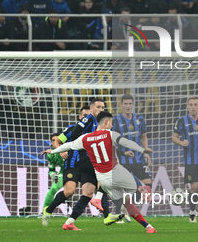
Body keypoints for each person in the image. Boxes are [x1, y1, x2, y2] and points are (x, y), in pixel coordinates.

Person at [42, 111, 156, 233]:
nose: (112, 126)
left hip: (101, 177)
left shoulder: (86, 138)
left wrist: (53, 151)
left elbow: (69, 145)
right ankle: (144, 225)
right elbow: (127, 143)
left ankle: (70, 222)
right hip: (112, 174)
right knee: (128, 199)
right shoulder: (110, 134)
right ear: (106, 123)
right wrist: (142, 149)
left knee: (90, 194)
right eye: (111, 123)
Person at [42, 99, 108, 228]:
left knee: (88, 193)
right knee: (69, 191)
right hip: (72, 163)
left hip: (87, 163)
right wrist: (59, 152)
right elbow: (57, 140)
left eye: (102, 107)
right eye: (83, 115)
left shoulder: (98, 126)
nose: (85, 118)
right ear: (81, 116)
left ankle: (71, 222)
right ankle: (48, 210)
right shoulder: (74, 128)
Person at [92, 94, 152, 221]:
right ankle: (118, 214)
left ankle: (126, 208)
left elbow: (143, 136)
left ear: (133, 105)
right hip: (122, 160)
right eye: (126, 104)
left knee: (147, 184)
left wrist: (145, 152)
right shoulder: (116, 121)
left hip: (138, 159)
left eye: (130, 104)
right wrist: (122, 153)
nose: (128, 106)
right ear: (121, 105)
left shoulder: (139, 119)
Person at [42, 133, 65, 222]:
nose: (56, 143)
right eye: (54, 141)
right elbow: (51, 169)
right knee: (54, 188)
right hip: (64, 172)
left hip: (77, 169)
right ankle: (45, 211)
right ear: (51, 143)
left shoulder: (68, 148)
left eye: (58, 140)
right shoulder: (50, 154)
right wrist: (53, 175)